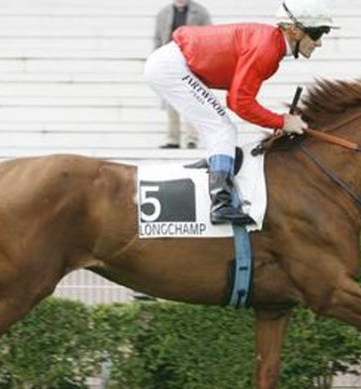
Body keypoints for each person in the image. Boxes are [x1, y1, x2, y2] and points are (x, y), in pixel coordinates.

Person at [144, 0, 338, 225]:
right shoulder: (267, 49)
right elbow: (239, 102)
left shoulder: (271, 45)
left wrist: (281, 121)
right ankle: (220, 203)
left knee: (220, 128)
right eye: (317, 33)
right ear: (294, 31)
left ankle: (215, 174)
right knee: (222, 129)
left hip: (172, 64)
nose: (319, 42)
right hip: (171, 68)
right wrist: (282, 121)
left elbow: (236, 99)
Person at [153, 0, 212, 149]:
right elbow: (157, 39)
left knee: (191, 100)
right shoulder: (163, 13)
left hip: (192, 62)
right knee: (171, 101)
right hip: (169, 62)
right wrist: (157, 59)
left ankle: (192, 138)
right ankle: (173, 139)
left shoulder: (200, 12)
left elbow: (210, 36)